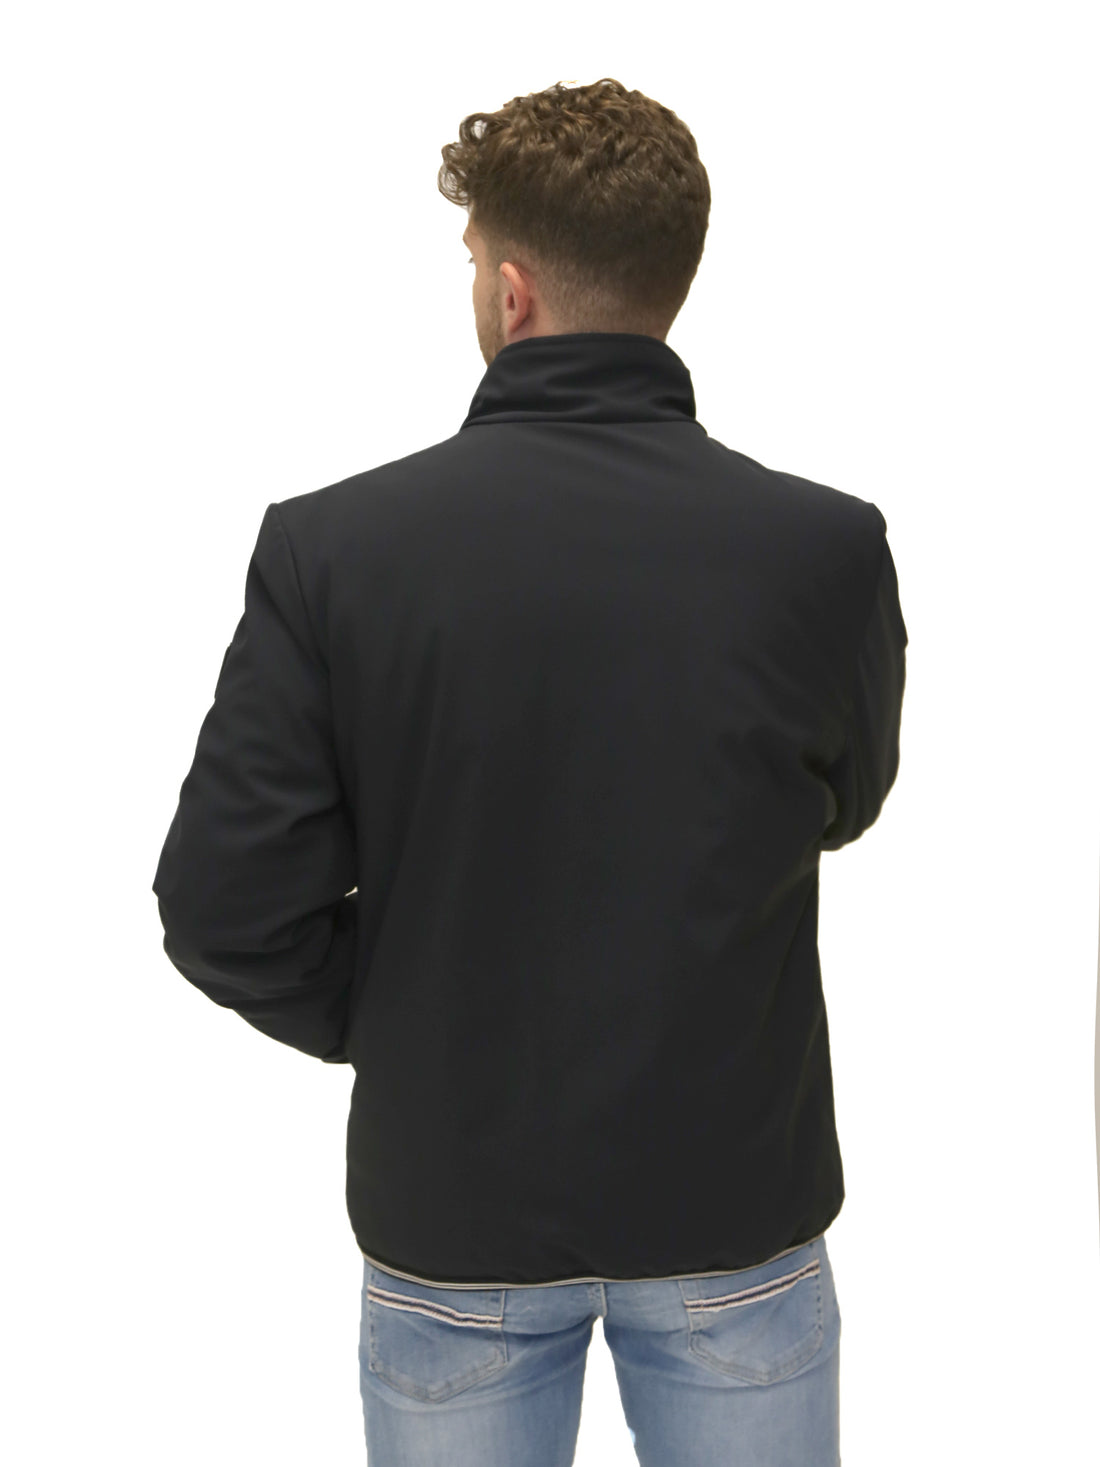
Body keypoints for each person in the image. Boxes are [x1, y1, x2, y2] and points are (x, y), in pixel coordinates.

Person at [152, 76, 907, 1466]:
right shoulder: (826, 548)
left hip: (458, 1213)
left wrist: (406, 1009)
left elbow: (222, 909)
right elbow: (844, 802)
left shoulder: (338, 550)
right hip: (733, 1195)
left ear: (511, 294)